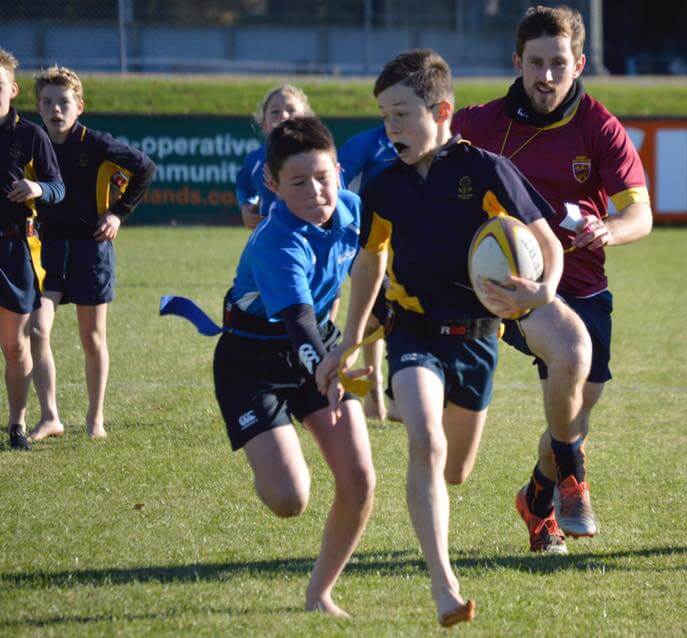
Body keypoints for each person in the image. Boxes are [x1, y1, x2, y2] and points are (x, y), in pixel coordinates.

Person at [318, 49, 562, 626]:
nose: (391, 127)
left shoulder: (486, 172)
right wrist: (349, 342)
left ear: (442, 109)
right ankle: (444, 585)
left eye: (401, 113)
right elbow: (370, 266)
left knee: (454, 470)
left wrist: (543, 291)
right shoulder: (383, 187)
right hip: (414, 332)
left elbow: (545, 242)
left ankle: (443, 533)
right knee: (424, 442)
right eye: (384, 116)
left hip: (477, 335)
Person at [453, 5, 653, 553]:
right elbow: (416, 152)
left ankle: (538, 498)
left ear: (579, 63)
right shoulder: (478, 124)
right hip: (514, 285)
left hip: (585, 283)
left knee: (576, 409)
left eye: (558, 64)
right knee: (569, 353)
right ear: (517, 61)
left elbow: (642, 215)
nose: (546, 77)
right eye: (535, 63)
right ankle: (572, 482)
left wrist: (609, 230)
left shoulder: (600, 127)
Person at [212, 117, 375, 616]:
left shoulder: (352, 209)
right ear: (272, 185)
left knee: (359, 480)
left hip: (320, 347)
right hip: (252, 359)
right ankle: (273, 439)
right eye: (298, 183)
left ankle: (319, 593)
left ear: (339, 171)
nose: (316, 192)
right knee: (289, 499)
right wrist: (327, 367)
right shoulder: (275, 242)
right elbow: (298, 322)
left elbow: (380, 266)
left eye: (324, 177)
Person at [28, 65, 156, 442]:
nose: (56, 110)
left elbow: (145, 168)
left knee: (92, 338)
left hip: (91, 248)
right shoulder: (35, 142)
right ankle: (50, 416)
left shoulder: (97, 143)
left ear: (79, 106)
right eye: (47, 103)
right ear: (37, 107)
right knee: (37, 329)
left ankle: (94, 418)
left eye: (63, 102)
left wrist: (118, 213)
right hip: (47, 248)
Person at [0, 49, 64, 451]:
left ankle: (17, 424)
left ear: (12, 88)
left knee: (14, 344)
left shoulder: (29, 135)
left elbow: (58, 187)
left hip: (13, 248)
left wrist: (38, 188)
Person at [338, 123, 400, 422]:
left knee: (374, 319)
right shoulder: (364, 144)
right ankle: (390, 394)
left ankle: (373, 394)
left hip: (408, 246)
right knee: (386, 314)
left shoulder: (423, 139)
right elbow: (335, 186)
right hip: (369, 247)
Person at [235, 85, 313, 230]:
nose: (283, 116)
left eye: (291, 110)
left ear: (305, 120)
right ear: (264, 124)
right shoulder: (255, 159)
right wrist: (246, 206)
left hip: (308, 238)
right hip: (269, 241)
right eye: (275, 111)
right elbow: (243, 186)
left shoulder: (318, 159)